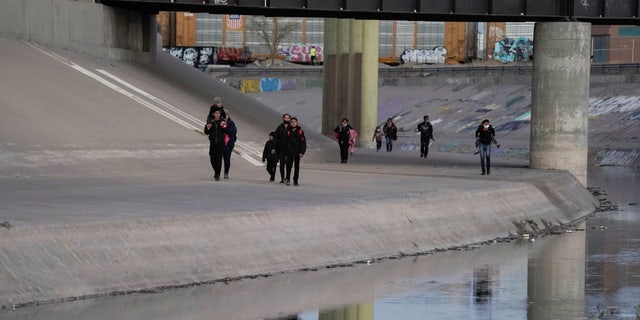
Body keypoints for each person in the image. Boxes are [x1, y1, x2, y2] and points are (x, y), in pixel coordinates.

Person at [204, 109, 228, 181]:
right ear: (213, 114)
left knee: (219, 159)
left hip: (221, 144)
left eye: (218, 113)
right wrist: (207, 127)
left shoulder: (222, 122)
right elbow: (206, 132)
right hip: (213, 144)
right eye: (216, 113)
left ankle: (217, 174)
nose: (217, 115)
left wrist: (223, 126)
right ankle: (216, 171)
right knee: (212, 158)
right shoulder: (211, 122)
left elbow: (226, 131)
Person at [285, 117, 306, 186]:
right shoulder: (288, 131)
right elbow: (285, 141)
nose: (293, 123)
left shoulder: (300, 131)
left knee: (297, 166)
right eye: (292, 122)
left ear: (297, 123)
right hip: (289, 151)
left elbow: (303, 142)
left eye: (295, 122)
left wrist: (302, 152)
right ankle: (287, 178)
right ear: (290, 123)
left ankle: (295, 180)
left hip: (297, 151)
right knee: (288, 165)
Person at [274, 113, 291, 183]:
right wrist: (275, 147)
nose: (286, 119)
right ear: (283, 119)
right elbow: (276, 137)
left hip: (289, 149)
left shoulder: (292, 128)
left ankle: (288, 177)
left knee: (288, 164)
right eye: (285, 118)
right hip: (281, 148)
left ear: (289, 119)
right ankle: (282, 178)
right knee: (282, 164)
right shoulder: (280, 127)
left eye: (288, 118)